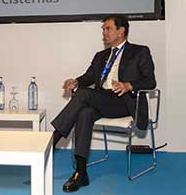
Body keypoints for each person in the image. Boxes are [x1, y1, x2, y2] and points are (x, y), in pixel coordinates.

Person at [51, 15, 156, 192]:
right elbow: (89, 77)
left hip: (124, 101)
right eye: (103, 29)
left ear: (121, 31)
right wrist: (76, 82)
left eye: (108, 28)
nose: (104, 32)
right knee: (84, 113)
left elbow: (150, 81)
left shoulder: (139, 52)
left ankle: (52, 139)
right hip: (102, 99)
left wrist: (129, 85)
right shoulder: (101, 56)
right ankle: (81, 172)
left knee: (84, 95)